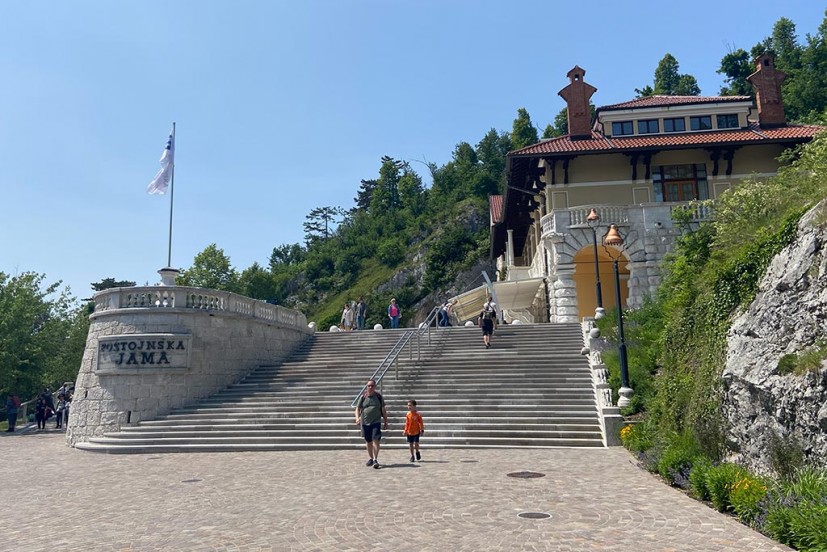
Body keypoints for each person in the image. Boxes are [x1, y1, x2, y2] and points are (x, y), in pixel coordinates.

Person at [354, 379, 388, 469]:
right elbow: (357, 408)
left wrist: (385, 421)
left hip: (376, 421)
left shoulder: (379, 397)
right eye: (368, 386)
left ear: (375, 387)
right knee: (368, 441)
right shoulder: (363, 397)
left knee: (376, 439)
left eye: (372, 386)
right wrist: (357, 418)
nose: (370, 387)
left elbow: (383, 410)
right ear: (366, 387)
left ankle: (375, 459)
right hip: (365, 422)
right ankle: (371, 458)